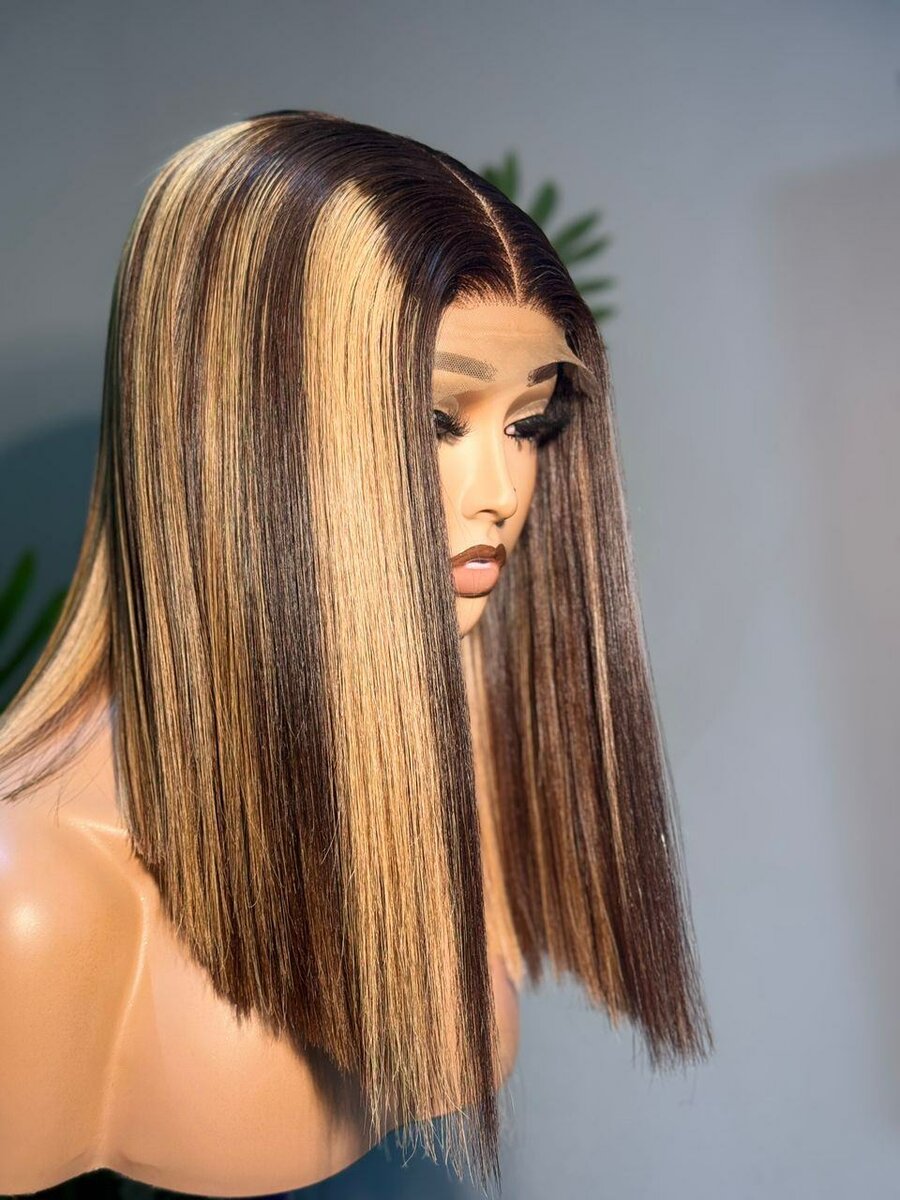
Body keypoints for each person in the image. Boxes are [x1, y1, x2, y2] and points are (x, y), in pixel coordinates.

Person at [0, 110, 713, 1197]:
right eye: (437, 419)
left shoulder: (442, 742)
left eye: (529, 424)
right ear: (240, 425)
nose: (502, 492)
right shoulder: (37, 903)